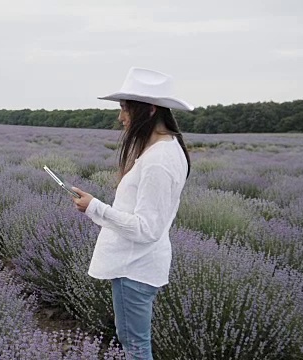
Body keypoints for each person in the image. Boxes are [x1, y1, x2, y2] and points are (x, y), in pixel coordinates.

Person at [71, 67, 193, 360]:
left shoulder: (158, 161)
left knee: (136, 347)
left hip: (134, 269)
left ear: (149, 110)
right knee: (134, 342)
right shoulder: (165, 149)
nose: (120, 117)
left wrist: (95, 207)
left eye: (125, 109)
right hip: (139, 267)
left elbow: (146, 228)